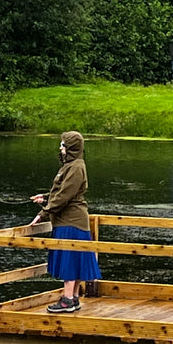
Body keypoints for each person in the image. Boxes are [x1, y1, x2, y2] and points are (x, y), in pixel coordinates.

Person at [30, 131, 101, 313]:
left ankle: (67, 300)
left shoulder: (76, 167)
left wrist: (43, 214)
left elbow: (64, 196)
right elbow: (61, 192)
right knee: (74, 259)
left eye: (63, 145)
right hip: (68, 220)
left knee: (70, 260)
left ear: (71, 147)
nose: (60, 148)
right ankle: (74, 298)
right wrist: (45, 197)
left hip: (71, 222)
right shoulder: (71, 166)